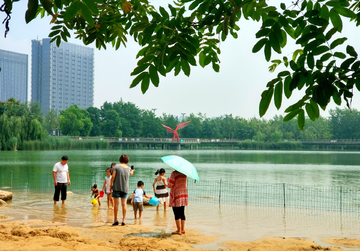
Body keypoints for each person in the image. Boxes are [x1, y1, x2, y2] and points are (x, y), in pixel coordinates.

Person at [110, 154, 134, 226]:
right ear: (127, 160)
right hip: (125, 188)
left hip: (116, 187)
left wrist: (111, 185)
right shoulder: (128, 168)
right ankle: (123, 220)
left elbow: (113, 176)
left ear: (120, 159)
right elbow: (131, 173)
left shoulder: (116, 166)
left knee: (116, 204)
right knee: (124, 204)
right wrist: (133, 170)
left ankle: (116, 220)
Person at [167, 170, 188, 235]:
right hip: (183, 193)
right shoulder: (184, 173)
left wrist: (168, 180)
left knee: (176, 213)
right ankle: (182, 229)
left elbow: (170, 185)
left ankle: (178, 230)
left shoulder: (174, 174)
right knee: (182, 212)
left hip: (176, 193)